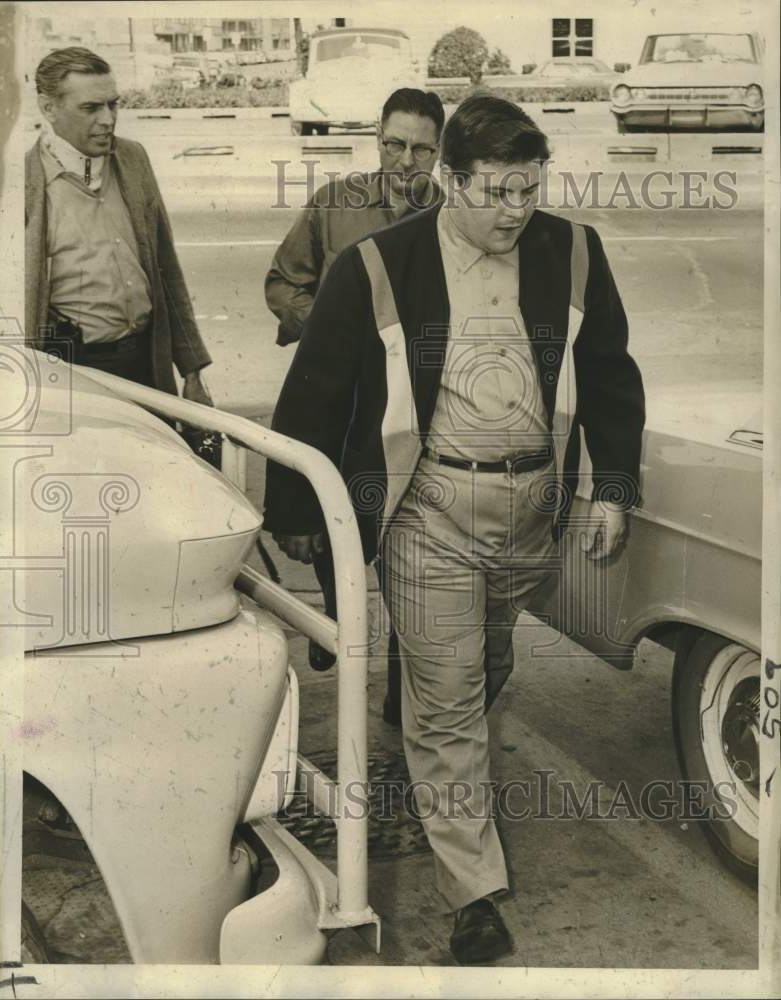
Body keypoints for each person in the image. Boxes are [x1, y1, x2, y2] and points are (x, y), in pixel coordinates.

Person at [263, 95, 645, 964]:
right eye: (498, 192)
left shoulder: (573, 251)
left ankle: (433, 743)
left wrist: (612, 489)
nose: (516, 210)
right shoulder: (377, 265)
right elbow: (316, 391)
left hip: (531, 513)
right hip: (429, 510)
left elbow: (612, 375)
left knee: (483, 669)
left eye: (528, 189)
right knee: (447, 705)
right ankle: (472, 893)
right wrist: (295, 513)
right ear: (448, 180)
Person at [265, 88, 444, 694]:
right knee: (336, 519)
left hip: (412, 410)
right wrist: (331, 333)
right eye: (394, 145)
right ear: (377, 138)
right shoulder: (334, 204)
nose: (404, 161)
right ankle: (336, 616)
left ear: (439, 154)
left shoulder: (452, 218)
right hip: (342, 405)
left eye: (421, 150)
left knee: (410, 547)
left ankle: (404, 682)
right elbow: (284, 282)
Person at [25, 47, 213, 406]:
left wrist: (192, 371)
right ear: (48, 108)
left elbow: (165, 268)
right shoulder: (24, 182)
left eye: (113, 105)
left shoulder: (133, 158)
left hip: (144, 362)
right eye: (91, 108)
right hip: (72, 370)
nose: (108, 119)